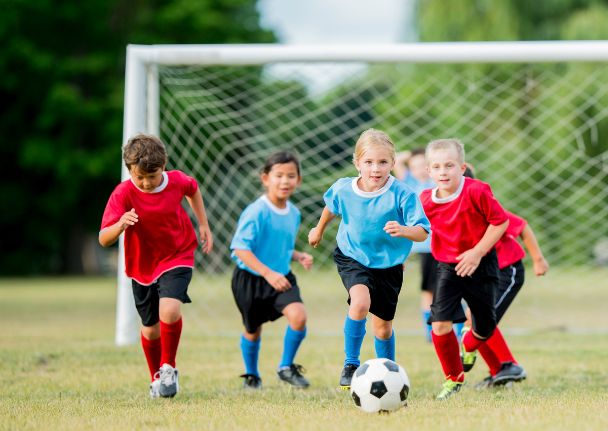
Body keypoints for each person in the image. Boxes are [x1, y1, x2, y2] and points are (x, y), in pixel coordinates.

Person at [308, 129, 430, 389]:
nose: (376, 168)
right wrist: (319, 229)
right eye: (369, 162)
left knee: (383, 327)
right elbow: (332, 206)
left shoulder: (403, 194)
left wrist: (404, 230)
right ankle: (351, 364)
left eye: (383, 162)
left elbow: (422, 232)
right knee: (360, 303)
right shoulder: (344, 188)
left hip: (389, 264)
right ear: (357, 163)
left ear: (393, 163)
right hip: (352, 255)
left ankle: (390, 377)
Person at [99, 134, 213, 399]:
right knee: (150, 328)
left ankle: (169, 367)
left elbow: (193, 188)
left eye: (152, 176)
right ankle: (155, 377)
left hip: (178, 253)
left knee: (170, 309)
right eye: (139, 177)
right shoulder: (124, 193)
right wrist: (120, 225)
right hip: (142, 266)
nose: (146, 183)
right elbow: (103, 238)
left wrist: (203, 224)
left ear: (164, 167)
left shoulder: (176, 181)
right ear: (129, 170)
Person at [419, 138, 509, 400]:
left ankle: (469, 343)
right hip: (447, 267)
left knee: (485, 326)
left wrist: (477, 252)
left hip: (482, 265)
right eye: (437, 167)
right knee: (439, 324)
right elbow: (417, 228)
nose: (443, 171)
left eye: (449, 165)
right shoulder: (425, 200)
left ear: (462, 167)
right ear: (429, 171)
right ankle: (453, 379)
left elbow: (500, 222)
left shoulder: (477, 191)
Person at [460, 165, 550, 388]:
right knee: (476, 319)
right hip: (482, 274)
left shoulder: (484, 207)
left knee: (481, 321)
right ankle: (500, 371)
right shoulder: (450, 212)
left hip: (506, 272)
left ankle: (504, 363)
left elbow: (522, 227)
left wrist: (538, 259)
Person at [230, 151, 313, 390]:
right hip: (251, 279)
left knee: (299, 316)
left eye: (291, 176)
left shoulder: (294, 213)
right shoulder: (257, 211)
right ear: (265, 178)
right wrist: (267, 273)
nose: (285, 181)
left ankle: (285, 367)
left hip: (281, 276)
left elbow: (279, 246)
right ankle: (252, 375)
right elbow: (241, 249)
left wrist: (298, 255)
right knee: (252, 330)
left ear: (299, 180)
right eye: (279, 175)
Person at [394, 149, 438, 342]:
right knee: (429, 289)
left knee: (452, 288)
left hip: (445, 244)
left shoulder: (437, 182)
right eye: (415, 166)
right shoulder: (409, 184)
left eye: (423, 165)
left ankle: (458, 327)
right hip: (426, 247)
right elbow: (397, 160)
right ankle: (430, 330)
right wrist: (412, 154)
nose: (420, 170)